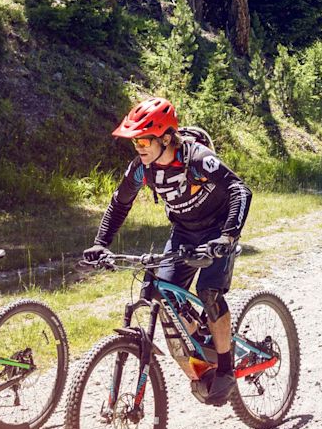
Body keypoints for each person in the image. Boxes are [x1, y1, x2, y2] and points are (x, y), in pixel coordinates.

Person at [85, 97, 252, 406]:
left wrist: (228, 237)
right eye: (135, 142)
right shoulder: (141, 169)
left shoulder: (198, 159)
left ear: (165, 137)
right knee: (162, 294)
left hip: (218, 230)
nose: (139, 147)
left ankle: (226, 367)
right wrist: (100, 243)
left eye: (145, 140)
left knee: (209, 292)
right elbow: (120, 204)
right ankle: (203, 351)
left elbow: (239, 190)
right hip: (185, 232)